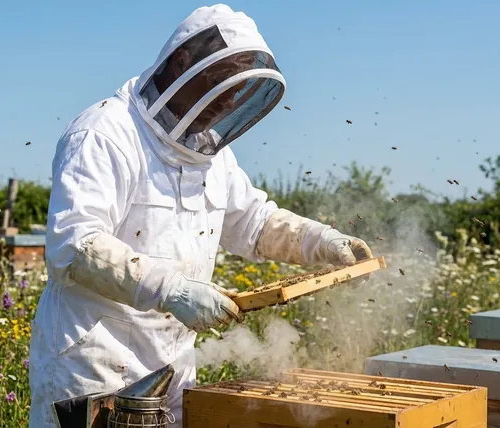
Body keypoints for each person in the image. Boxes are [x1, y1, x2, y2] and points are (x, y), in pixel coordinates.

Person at [28, 4, 372, 427]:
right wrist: (172, 289)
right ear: (182, 62)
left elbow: (254, 221)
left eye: (237, 88)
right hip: (96, 368)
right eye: (221, 81)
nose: (228, 99)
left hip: (173, 367)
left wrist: (322, 241)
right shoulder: (105, 133)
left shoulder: (210, 153)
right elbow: (73, 246)